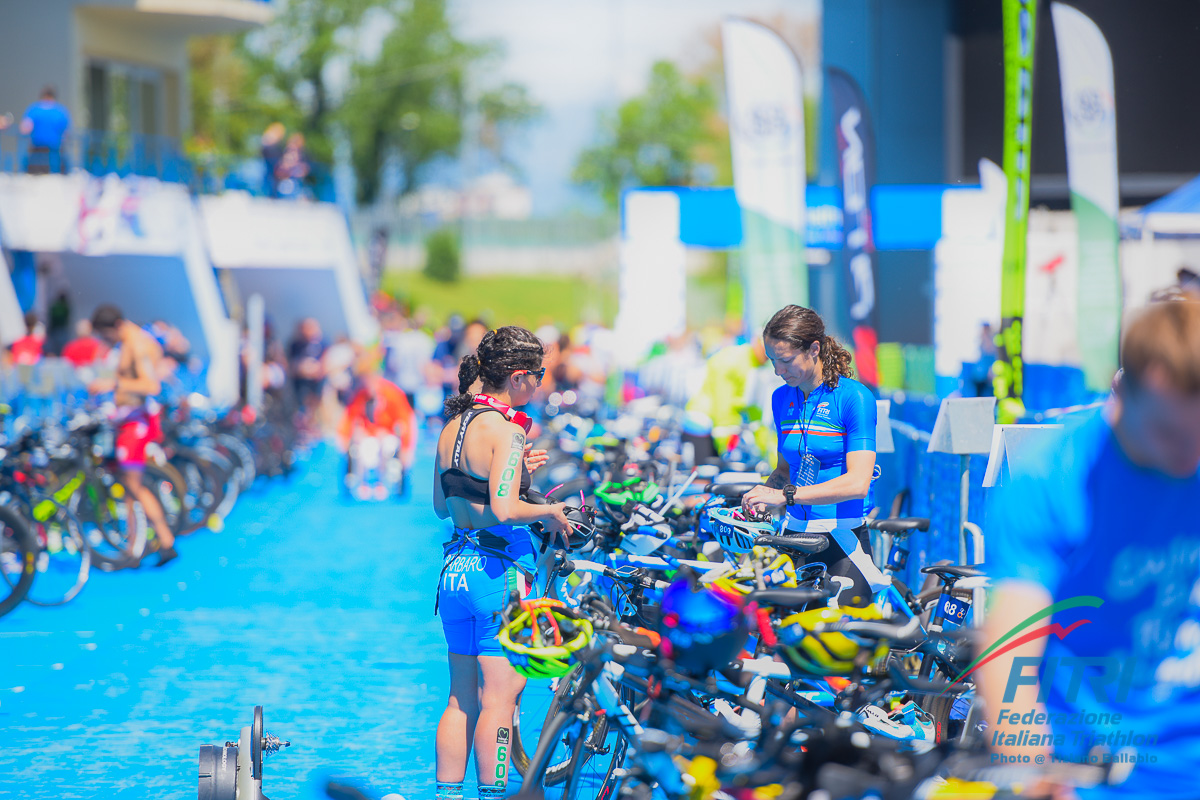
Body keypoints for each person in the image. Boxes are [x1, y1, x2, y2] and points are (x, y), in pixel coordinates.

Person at [979, 299, 1200, 798]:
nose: (1190, 458)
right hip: (1094, 772)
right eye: (1170, 433)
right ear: (1123, 389)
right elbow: (1010, 649)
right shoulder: (1048, 478)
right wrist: (1030, 770)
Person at [433, 326, 569, 800]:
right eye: (538, 375)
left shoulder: (452, 426)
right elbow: (508, 509)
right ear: (516, 377)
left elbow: (441, 505)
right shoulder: (506, 431)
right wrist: (551, 509)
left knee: (459, 699)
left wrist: (513, 476)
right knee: (501, 700)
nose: (540, 384)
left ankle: (447, 795)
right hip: (498, 574)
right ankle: (493, 796)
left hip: (454, 574)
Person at [742, 305, 886, 608]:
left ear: (814, 349)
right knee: (778, 643)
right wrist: (761, 496)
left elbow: (857, 483)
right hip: (794, 536)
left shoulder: (854, 397)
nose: (778, 371)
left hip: (841, 540)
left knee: (836, 648)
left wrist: (787, 496)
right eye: (772, 361)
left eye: (785, 360)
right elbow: (785, 469)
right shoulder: (781, 397)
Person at [87, 304, 178, 567]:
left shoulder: (137, 345)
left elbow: (151, 385)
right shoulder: (130, 342)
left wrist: (113, 384)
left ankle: (162, 540)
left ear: (115, 327)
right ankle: (136, 545)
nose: (105, 341)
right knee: (129, 484)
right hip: (129, 420)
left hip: (137, 422)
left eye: (105, 335)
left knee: (134, 485)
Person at [683, 335, 774, 463]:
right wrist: (726, 448)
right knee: (705, 476)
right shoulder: (732, 360)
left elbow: (755, 411)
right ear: (757, 340)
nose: (769, 356)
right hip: (703, 420)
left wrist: (764, 451)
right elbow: (722, 405)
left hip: (722, 425)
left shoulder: (759, 364)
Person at [338, 355, 417, 499]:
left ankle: (383, 483)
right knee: (362, 448)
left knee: (385, 445)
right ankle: (363, 484)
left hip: (389, 436)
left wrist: (406, 447)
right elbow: (350, 419)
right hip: (369, 437)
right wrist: (346, 437)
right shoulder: (360, 395)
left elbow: (405, 421)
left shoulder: (392, 394)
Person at [20, 86, 70, 174]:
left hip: (37, 151)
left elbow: (24, 129)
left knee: (34, 173)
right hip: (55, 151)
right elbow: (66, 133)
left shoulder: (34, 109)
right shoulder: (61, 111)